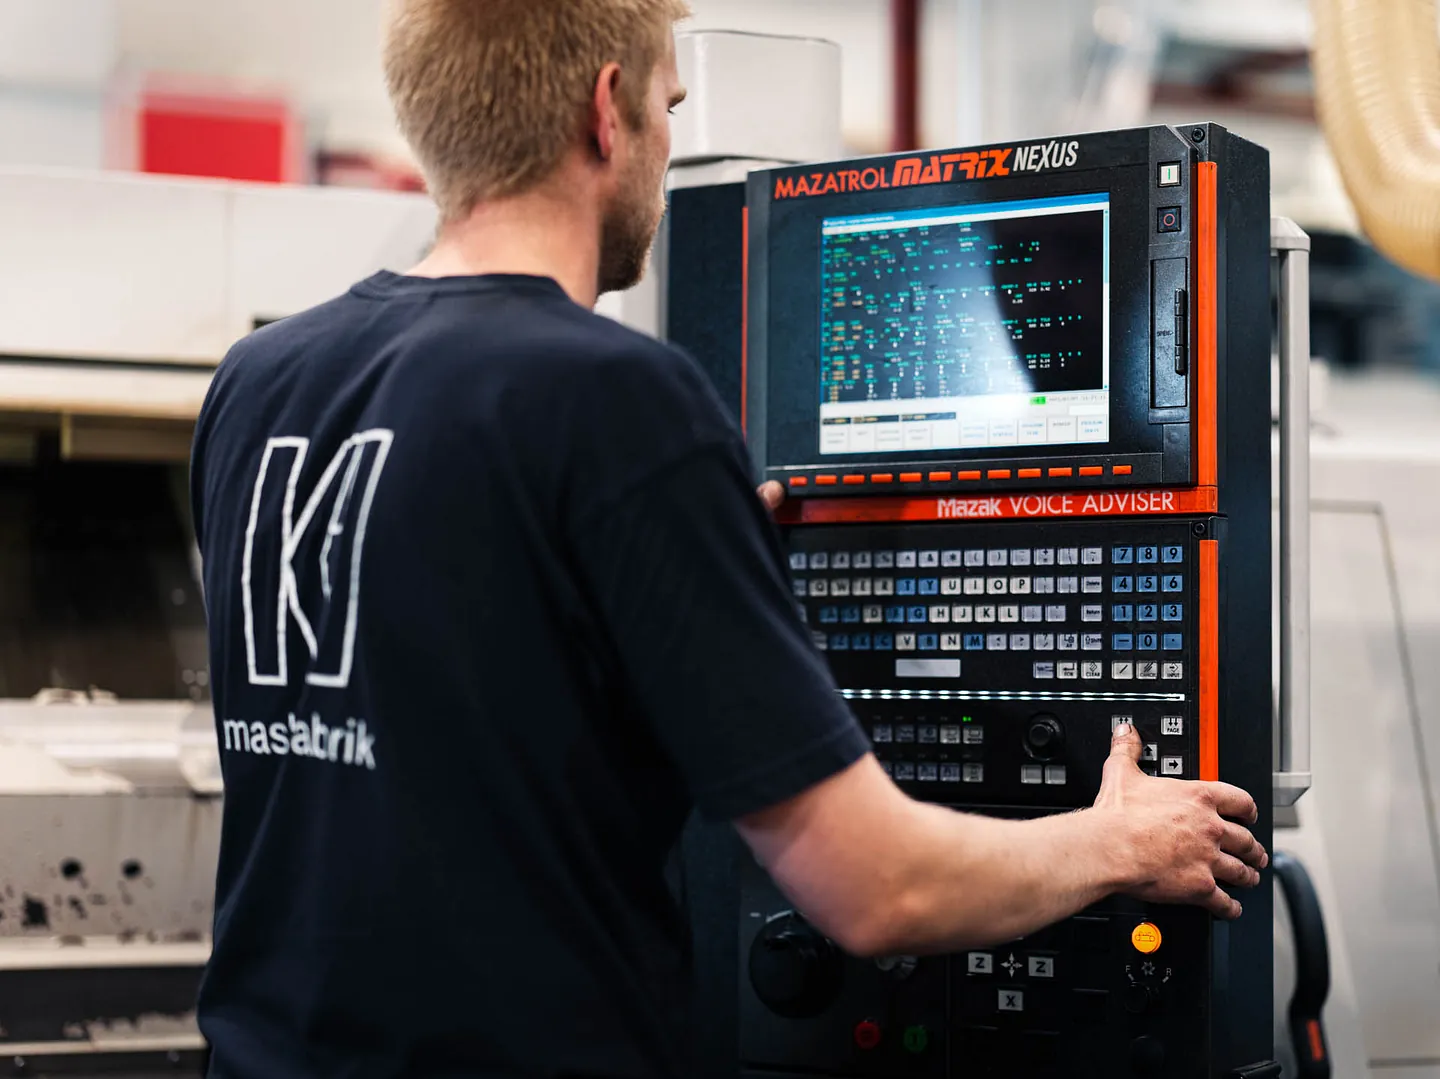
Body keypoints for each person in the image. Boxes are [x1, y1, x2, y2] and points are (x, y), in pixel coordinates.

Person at [187, 1, 1269, 1076]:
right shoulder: (613, 399)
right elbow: (879, 889)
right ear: (607, 109)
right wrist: (1116, 839)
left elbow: (439, 693)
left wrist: (677, 563)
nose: (667, 152)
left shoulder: (262, 382)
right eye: (668, 108)